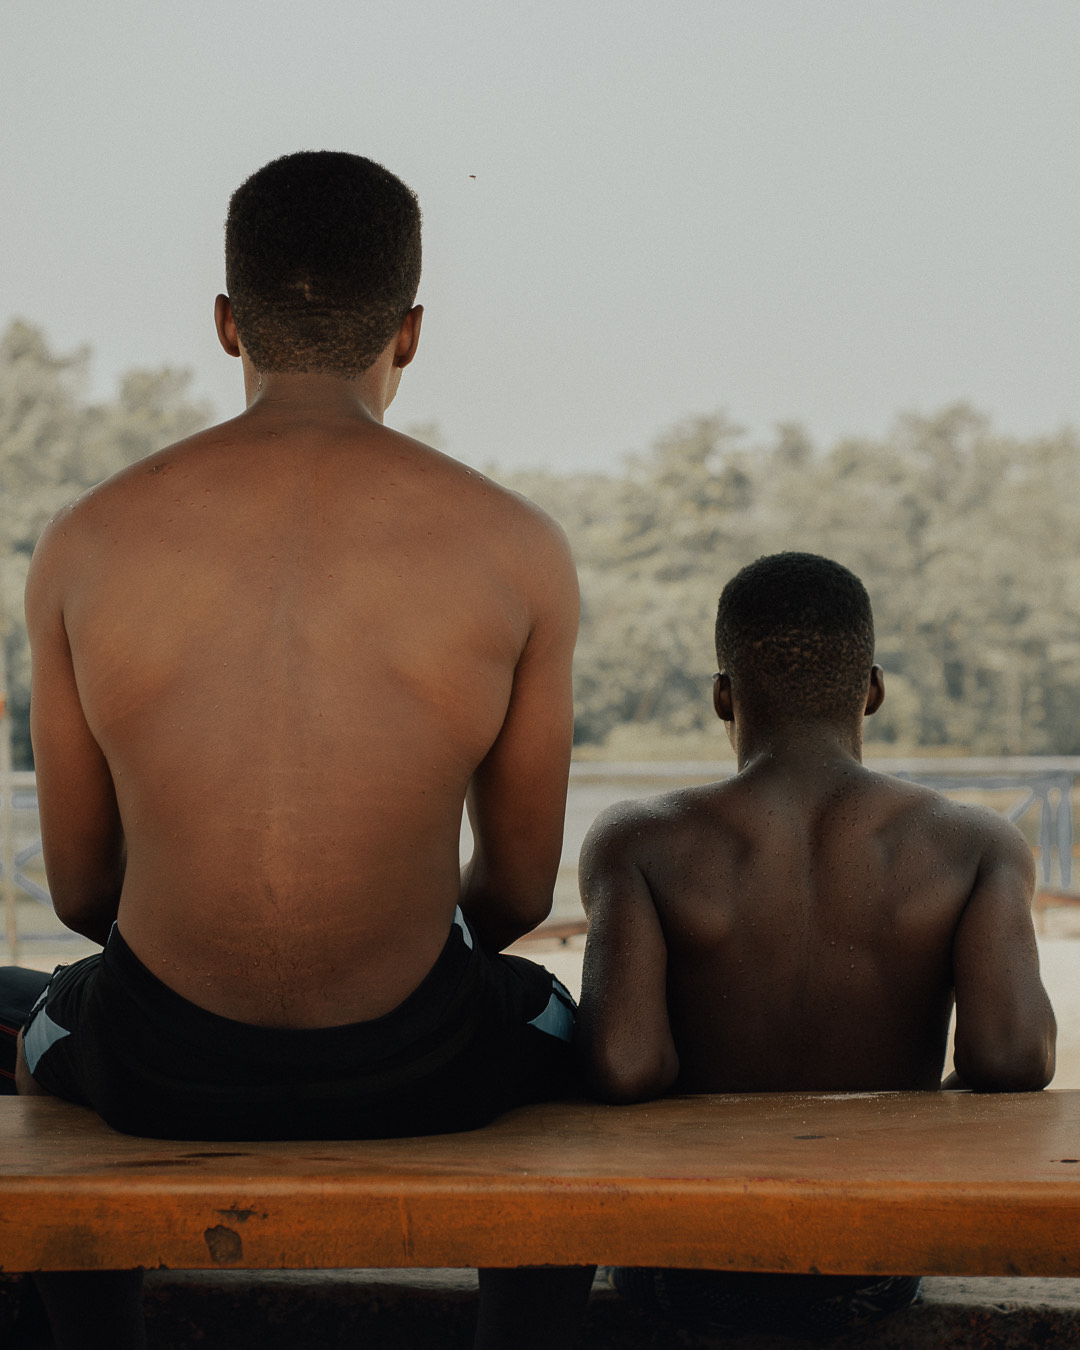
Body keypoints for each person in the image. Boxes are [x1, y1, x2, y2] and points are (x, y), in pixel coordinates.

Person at [14, 150, 591, 1349]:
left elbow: (79, 894)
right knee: (568, 1036)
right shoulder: (517, 546)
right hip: (419, 1064)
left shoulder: (86, 540)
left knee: (43, 1015)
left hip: (161, 1062)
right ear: (412, 332)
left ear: (228, 324)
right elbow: (520, 893)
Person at [577, 551, 1056, 1340]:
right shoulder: (975, 845)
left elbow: (624, 1068)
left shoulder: (640, 841)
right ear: (871, 689)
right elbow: (1012, 1060)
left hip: (681, 1259)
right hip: (872, 1266)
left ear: (722, 696)